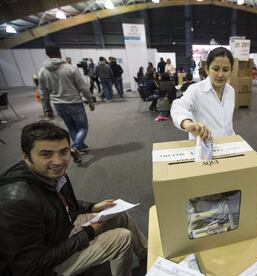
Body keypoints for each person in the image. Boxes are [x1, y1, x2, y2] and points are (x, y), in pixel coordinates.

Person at [0, 121, 147, 276]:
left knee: (120, 215)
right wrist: (88, 233)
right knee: (121, 238)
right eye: (46, 154)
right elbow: (32, 266)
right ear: (26, 156)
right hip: (45, 266)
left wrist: (93, 206)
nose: (58, 161)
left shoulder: (46, 174)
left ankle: (147, 257)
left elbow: (57, 202)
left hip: (59, 232)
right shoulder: (18, 202)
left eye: (63, 152)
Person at [38, 43, 94, 164]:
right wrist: (90, 101)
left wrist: (47, 108)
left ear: (47, 54)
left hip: (58, 105)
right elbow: (83, 87)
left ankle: (81, 147)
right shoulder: (70, 68)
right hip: (74, 103)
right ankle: (75, 147)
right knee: (83, 127)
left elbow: (43, 92)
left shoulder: (42, 71)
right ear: (59, 53)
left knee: (72, 127)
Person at [171, 47, 235, 140]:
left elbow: (227, 125)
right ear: (207, 69)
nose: (220, 74)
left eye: (225, 70)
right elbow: (178, 106)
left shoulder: (231, 91)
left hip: (227, 144)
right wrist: (187, 123)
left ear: (231, 71)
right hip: (204, 147)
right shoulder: (196, 90)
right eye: (216, 69)